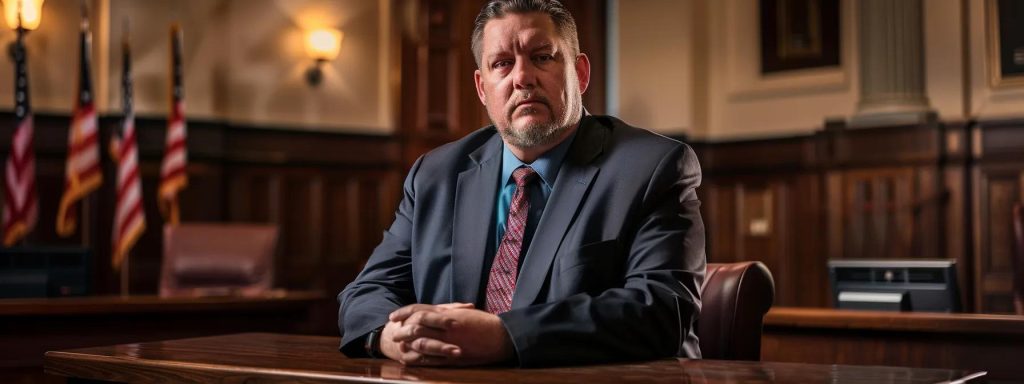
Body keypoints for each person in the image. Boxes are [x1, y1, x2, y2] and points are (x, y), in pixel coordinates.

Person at [338, 0, 705, 367]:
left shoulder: (651, 167)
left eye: (542, 57)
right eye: (502, 63)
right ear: (482, 88)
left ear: (580, 73)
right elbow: (367, 291)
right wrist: (388, 335)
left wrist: (506, 336)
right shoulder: (436, 174)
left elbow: (663, 308)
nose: (522, 78)